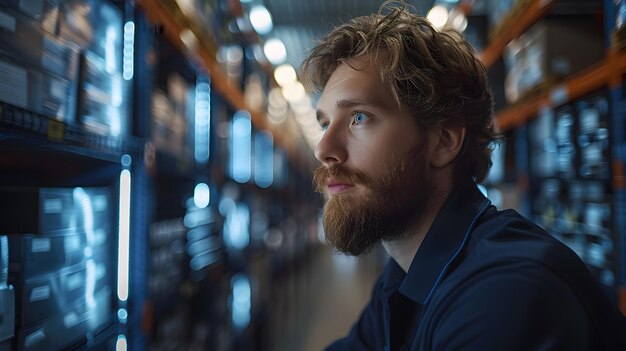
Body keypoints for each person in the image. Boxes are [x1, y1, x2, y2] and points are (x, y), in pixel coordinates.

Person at [301, 1, 626, 350]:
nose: (323, 149)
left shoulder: (505, 293)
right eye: (324, 123)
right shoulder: (402, 273)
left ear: (444, 141)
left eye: (359, 117)